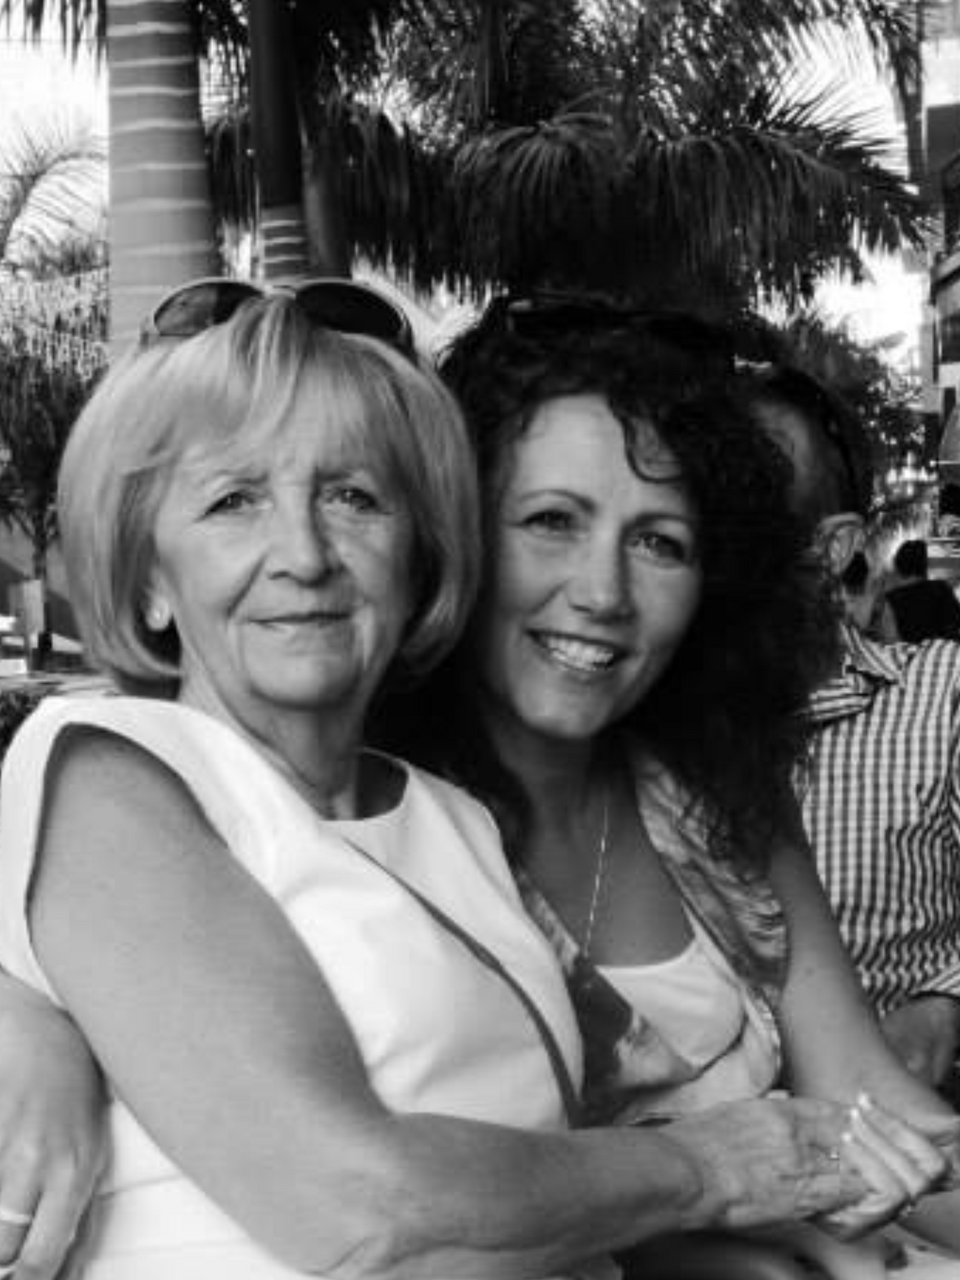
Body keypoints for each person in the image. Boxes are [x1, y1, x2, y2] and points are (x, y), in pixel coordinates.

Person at [0, 279, 893, 1280]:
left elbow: (541, 1175)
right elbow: (357, 1209)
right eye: (231, 501)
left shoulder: (451, 816)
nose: (303, 553)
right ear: (148, 578)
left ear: (422, 552)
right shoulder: (110, 762)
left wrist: (722, 1237)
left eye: (353, 498)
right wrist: (707, 1168)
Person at [370, 301, 960, 1271]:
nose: (602, 590)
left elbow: (879, 1111)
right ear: (456, 535)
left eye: (660, 542)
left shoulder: (717, 796)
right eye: (551, 521)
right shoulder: (365, 814)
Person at [741, 363, 960, 1113]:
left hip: (892, 1146)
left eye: (739, 514)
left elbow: (866, 1087)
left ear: (833, 548)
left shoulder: (942, 695)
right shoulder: (644, 732)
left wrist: (943, 1003)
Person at [879, 539, 960, 644]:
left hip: (913, 658)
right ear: (925, 564)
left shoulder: (891, 599)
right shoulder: (941, 588)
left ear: (898, 564)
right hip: (946, 655)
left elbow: (890, 640)